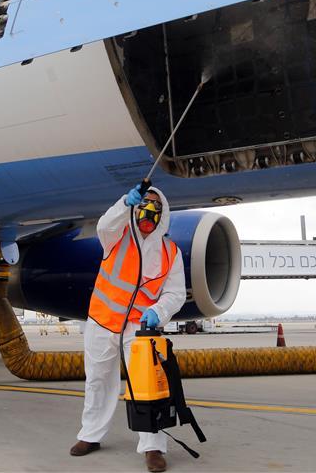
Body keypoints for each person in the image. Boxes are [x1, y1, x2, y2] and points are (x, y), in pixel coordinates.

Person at [70, 184, 186, 473]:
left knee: (148, 387)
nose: (149, 210)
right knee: (97, 380)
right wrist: (124, 202)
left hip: (139, 328)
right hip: (102, 320)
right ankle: (90, 435)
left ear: (164, 213)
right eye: (144, 203)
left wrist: (157, 312)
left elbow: (176, 294)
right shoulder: (117, 237)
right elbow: (104, 224)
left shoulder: (170, 253)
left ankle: (153, 447)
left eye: (155, 205)